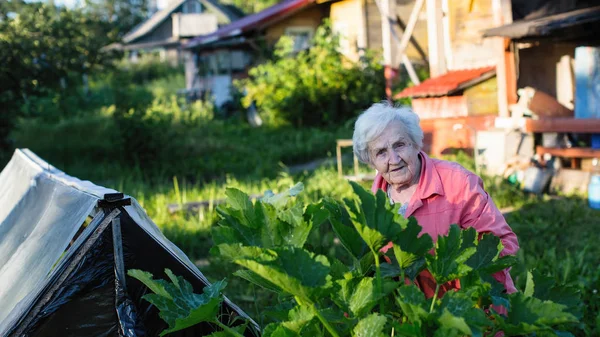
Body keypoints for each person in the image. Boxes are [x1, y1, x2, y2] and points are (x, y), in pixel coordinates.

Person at [352, 101, 519, 298]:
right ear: (370, 160)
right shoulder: (372, 203)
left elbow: (501, 243)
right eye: (381, 152)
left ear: (415, 143)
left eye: (399, 145)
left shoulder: (458, 182)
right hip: (413, 320)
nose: (394, 159)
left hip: (473, 313)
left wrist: (454, 278)